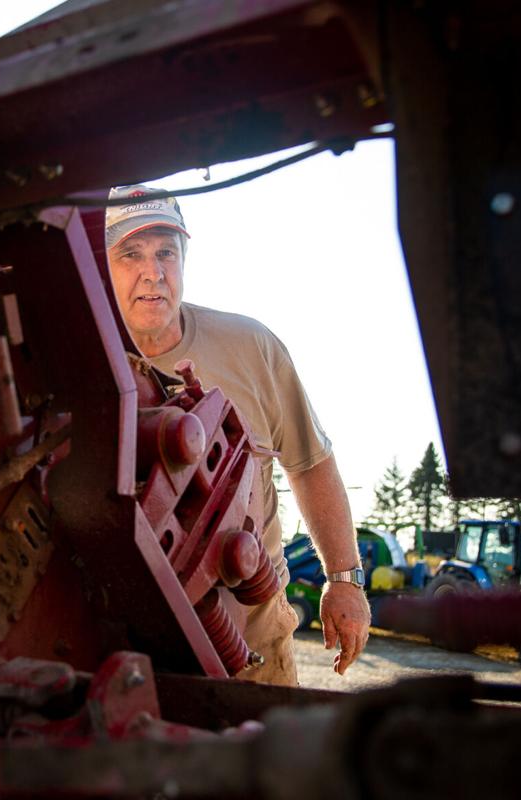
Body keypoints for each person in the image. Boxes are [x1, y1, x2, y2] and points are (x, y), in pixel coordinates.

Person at [104, 185, 370, 685]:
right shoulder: (78, 361)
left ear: (185, 260)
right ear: (100, 268)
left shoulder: (251, 347)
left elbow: (311, 462)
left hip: (252, 626)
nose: (153, 273)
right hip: (117, 635)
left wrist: (344, 580)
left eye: (166, 253)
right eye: (130, 255)